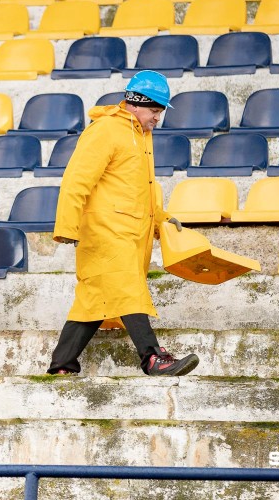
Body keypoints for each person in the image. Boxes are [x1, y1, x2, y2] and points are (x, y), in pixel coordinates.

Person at [47, 70, 200, 377]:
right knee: (130, 287)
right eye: (155, 110)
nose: (158, 118)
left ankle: (62, 365)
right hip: (105, 230)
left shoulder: (142, 136)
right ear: (136, 104)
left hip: (127, 230)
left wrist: (161, 219)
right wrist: (66, 226)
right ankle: (153, 357)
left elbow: (140, 187)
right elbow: (76, 179)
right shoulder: (105, 130)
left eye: (159, 112)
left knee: (93, 299)